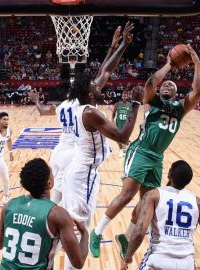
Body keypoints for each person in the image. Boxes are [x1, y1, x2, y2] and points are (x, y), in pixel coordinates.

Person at [89, 44, 200, 259]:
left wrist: (196, 63)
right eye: (164, 84)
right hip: (141, 150)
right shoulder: (152, 102)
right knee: (127, 195)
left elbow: (197, 91)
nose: (166, 85)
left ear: (176, 92)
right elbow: (150, 83)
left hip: (157, 158)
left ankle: (126, 236)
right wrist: (169, 64)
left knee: (145, 200)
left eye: (171, 85)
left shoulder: (180, 108)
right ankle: (97, 232)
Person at [63, 22, 144, 270]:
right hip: (83, 173)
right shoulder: (90, 114)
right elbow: (121, 136)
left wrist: (119, 46)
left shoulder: (82, 103)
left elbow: (105, 70)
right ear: (89, 93)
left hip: (83, 170)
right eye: (95, 86)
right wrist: (135, 105)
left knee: (78, 226)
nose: (100, 85)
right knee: (79, 229)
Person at [28, 25, 123, 205]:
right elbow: (105, 71)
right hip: (74, 152)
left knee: (56, 193)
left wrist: (36, 99)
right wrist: (114, 47)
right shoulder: (83, 105)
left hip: (58, 152)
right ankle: (62, 225)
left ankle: (47, 222)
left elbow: (42, 111)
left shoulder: (61, 106)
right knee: (71, 200)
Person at [0, 158, 89, 270]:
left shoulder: (9, 206)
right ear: (49, 183)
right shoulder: (57, 214)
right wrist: (84, 233)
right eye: (52, 173)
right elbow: (78, 263)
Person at [121, 160, 200, 270]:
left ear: (169, 173)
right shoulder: (197, 201)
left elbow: (139, 232)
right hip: (186, 263)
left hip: (158, 259)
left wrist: (126, 258)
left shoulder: (153, 195)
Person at [112, 91, 131, 157]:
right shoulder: (117, 104)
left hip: (126, 124)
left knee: (125, 138)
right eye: (123, 96)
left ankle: (124, 150)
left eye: (126, 96)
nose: (124, 97)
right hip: (118, 123)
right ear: (121, 96)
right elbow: (113, 113)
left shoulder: (130, 105)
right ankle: (121, 150)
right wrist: (112, 121)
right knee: (118, 138)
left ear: (127, 96)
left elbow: (132, 115)